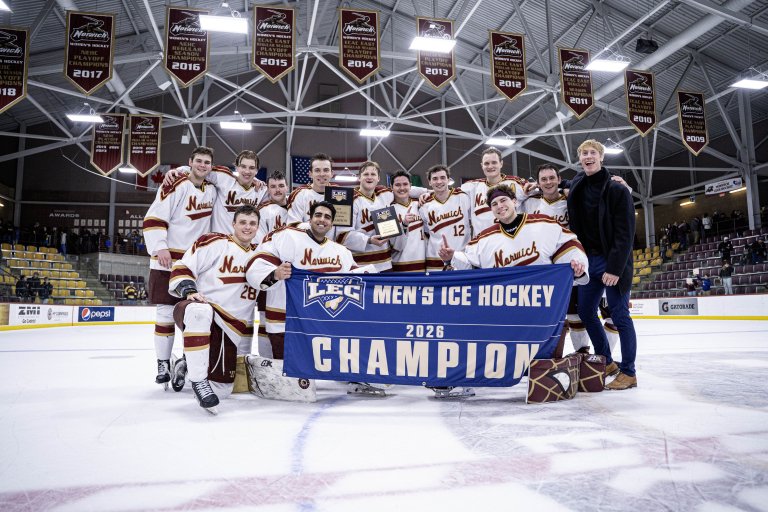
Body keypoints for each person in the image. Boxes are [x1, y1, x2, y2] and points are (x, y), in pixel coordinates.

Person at [438, 184, 589, 398]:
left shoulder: (544, 224)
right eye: (494, 204)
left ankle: (548, 378)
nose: (500, 206)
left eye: (503, 201)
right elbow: (471, 265)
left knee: (544, 348)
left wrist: (576, 263)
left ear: (515, 201)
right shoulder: (484, 238)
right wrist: (451, 256)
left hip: (541, 305)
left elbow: (570, 245)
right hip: (505, 309)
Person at [167, 205, 261, 413]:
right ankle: (199, 380)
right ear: (233, 224)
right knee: (200, 311)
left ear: (258, 227)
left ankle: (184, 364)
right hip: (200, 310)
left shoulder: (260, 257)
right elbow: (183, 266)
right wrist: (188, 289)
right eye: (243, 222)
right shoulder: (215, 242)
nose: (247, 227)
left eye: (252, 223)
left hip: (231, 327)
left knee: (222, 391)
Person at [246, 201, 359, 361]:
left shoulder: (341, 252)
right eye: (318, 215)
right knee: (286, 376)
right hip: (284, 321)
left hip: (320, 324)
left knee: (314, 371)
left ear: (332, 223)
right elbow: (256, 263)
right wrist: (275, 274)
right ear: (310, 218)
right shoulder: (286, 236)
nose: (322, 220)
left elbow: (360, 279)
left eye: (327, 217)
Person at [143, 146, 217, 389]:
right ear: (190, 162)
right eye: (198, 161)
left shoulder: (213, 190)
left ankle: (187, 360)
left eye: (207, 162)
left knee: (193, 314)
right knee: (165, 312)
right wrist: (159, 246)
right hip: (167, 258)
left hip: (195, 263)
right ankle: (162, 363)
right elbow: (154, 217)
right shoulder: (175, 185)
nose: (202, 165)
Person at [566, 139, 638, 391]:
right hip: (589, 260)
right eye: (583, 153)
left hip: (612, 260)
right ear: (580, 159)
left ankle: (628, 372)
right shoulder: (577, 183)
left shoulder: (617, 190)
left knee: (619, 315)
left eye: (592, 153)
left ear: (601, 157)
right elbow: (563, 184)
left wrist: (615, 268)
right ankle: (606, 360)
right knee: (586, 311)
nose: (588, 156)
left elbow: (625, 234)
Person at [165, 149, 267, 234]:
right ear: (236, 167)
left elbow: (279, 197)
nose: (247, 171)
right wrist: (178, 170)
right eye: (243, 166)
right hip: (218, 243)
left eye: (252, 168)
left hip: (244, 244)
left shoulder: (261, 189)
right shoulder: (223, 177)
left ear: (257, 170)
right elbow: (200, 169)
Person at [459, 147, 528, 235]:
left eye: (494, 162)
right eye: (486, 163)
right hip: (483, 242)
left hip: (512, 239)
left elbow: (539, 191)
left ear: (501, 163)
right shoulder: (472, 187)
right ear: (482, 165)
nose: (490, 166)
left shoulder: (517, 183)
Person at [418, 165, 472, 272]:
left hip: (462, 256)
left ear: (448, 180)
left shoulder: (463, 197)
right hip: (435, 259)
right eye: (435, 179)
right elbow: (427, 232)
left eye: (442, 178)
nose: (439, 182)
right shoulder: (424, 206)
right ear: (429, 182)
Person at [286, 153, 340, 239]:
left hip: (332, 247)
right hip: (306, 245)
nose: (322, 174)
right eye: (317, 170)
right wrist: (319, 225)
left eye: (326, 170)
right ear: (310, 174)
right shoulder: (299, 194)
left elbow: (344, 226)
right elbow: (292, 225)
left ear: (332, 173)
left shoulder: (340, 193)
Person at [390, 170, 427, 272]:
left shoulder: (420, 204)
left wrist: (427, 193)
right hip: (400, 266)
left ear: (410, 186)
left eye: (405, 184)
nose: (402, 188)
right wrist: (404, 224)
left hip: (423, 265)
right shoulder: (387, 210)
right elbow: (395, 246)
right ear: (391, 187)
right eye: (397, 185)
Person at [254, 170, 289, 245]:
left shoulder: (296, 205)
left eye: (281, 186)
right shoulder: (262, 211)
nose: (277, 190)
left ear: (287, 188)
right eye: (273, 187)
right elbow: (261, 242)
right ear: (268, 190)